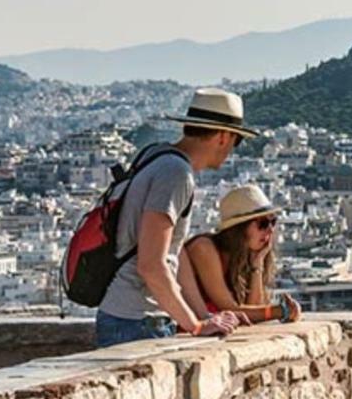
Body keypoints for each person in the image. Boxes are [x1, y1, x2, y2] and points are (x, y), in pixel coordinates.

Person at [95, 88, 259, 348]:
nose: (232, 149)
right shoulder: (176, 174)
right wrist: (195, 326)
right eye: (236, 140)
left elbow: (174, 255)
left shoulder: (156, 156)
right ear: (223, 137)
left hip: (134, 317)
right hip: (136, 321)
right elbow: (151, 264)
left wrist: (203, 317)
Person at [184, 184, 301, 323]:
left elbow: (254, 309)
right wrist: (280, 311)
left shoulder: (243, 257)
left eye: (273, 222)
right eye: (263, 224)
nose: (270, 230)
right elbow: (228, 308)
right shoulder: (204, 248)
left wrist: (257, 264)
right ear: (239, 228)